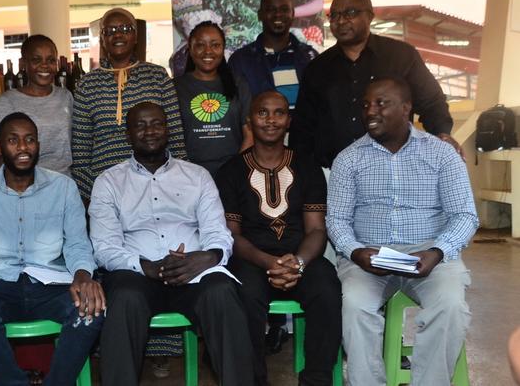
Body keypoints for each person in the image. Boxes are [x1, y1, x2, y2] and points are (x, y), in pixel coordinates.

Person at [90, 101, 254, 385]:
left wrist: (209, 256)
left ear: (167, 130)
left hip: (193, 272)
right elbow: (104, 246)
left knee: (222, 293)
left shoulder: (197, 176)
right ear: (128, 134)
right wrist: (147, 267)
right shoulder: (109, 182)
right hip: (137, 275)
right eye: (140, 125)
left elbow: (218, 231)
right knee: (124, 298)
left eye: (156, 124)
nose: (149, 131)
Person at [327, 77, 478, 385]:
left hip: (429, 251)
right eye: (367, 104)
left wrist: (437, 253)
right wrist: (356, 252)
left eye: (381, 103)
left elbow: (464, 215)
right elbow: (337, 220)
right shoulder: (348, 159)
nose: (371, 111)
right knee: (354, 307)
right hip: (367, 256)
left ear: (407, 108)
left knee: (449, 307)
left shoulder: (441, 154)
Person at [0, 112, 104, 386]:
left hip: (50, 284)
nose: (23, 147)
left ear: (38, 144)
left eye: (30, 140)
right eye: (13, 140)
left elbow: (77, 243)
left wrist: (84, 275)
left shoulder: (63, 187)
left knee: (91, 309)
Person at [215, 91, 341, 386]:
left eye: (279, 113)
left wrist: (297, 262)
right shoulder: (231, 171)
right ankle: (254, 380)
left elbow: (316, 230)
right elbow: (231, 236)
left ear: (289, 121)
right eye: (262, 113)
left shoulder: (307, 167)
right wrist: (269, 262)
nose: (271, 120)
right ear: (249, 121)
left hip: (301, 258)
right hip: (251, 259)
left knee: (328, 288)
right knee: (242, 293)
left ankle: (316, 380)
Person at [290, 0, 462, 169]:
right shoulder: (317, 68)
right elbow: (303, 127)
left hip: (393, 169)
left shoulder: (401, 56)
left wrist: (442, 134)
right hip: (333, 174)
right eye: (334, 15)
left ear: (370, 16)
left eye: (350, 13)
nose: (340, 21)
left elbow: (432, 102)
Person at [72, 7, 187, 202]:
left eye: (125, 29)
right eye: (110, 31)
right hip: (104, 190)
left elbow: (175, 139)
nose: (118, 34)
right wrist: (99, 193)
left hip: (157, 188)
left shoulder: (157, 76)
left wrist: (172, 187)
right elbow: (81, 153)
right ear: (102, 39)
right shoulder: (87, 84)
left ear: (135, 37)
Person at [174, 21, 252, 176]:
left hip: (233, 174)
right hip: (188, 175)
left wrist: (234, 171)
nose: (208, 51)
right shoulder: (175, 87)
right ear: (190, 48)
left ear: (223, 49)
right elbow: (171, 139)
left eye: (215, 45)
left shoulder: (238, 84)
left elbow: (250, 135)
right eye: (200, 45)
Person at [0, 35, 73, 176]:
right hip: (24, 184)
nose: (45, 65)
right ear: (23, 63)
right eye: (36, 60)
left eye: (51, 60)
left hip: (63, 182)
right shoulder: (9, 100)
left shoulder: (65, 96)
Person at [229, 0, 318, 108]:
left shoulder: (310, 57)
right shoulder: (241, 60)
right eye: (271, 9)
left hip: (304, 127)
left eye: (284, 9)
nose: (278, 14)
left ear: (292, 14)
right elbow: (234, 107)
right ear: (260, 15)